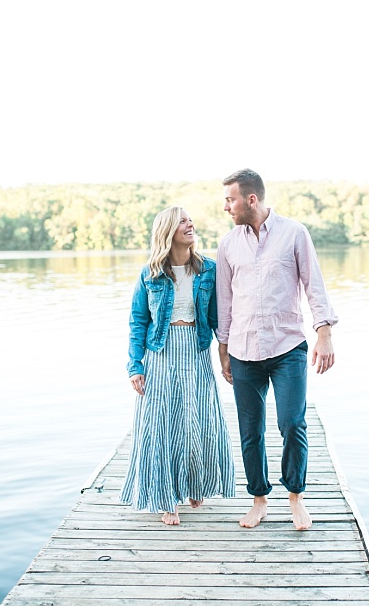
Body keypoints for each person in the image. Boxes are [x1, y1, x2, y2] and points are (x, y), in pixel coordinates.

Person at [215, 169, 338, 531]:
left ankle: (296, 499)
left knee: (292, 423)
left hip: (288, 348)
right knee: (250, 430)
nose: (226, 207)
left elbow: (314, 285)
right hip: (242, 350)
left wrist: (324, 333)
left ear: (251, 199)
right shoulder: (228, 244)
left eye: (230, 199)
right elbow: (225, 301)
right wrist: (222, 348)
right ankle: (259, 500)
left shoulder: (294, 233)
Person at [122, 206, 236, 525]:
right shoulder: (150, 274)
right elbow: (137, 322)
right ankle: (165, 498)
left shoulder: (209, 270)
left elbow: (219, 319)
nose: (191, 225)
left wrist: (229, 358)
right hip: (160, 353)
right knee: (161, 423)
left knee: (197, 418)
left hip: (196, 351)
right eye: (183, 221)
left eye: (190, 220)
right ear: (168, 231)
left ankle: (193, 485)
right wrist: (135, 366)